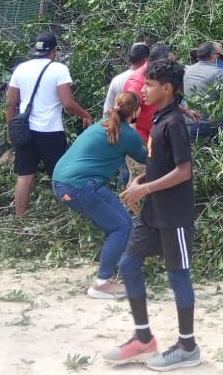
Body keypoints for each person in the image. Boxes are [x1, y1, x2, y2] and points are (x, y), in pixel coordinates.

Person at [103, 58, 201, 369]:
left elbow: (183, 171)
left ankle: (188, 347)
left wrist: (144, 190)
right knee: (129, 264)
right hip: (152, 211)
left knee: (177, 276)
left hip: (174, 215)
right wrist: (140, 180)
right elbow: (160, 163)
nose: (143, 90)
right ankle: (143, 338)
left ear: (167, 88)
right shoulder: (159, 118)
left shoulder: (174, 123)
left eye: (149, 85)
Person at [52, 91, 149, 300]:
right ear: (136, 111)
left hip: (61, 184)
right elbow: (149, 160)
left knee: (116, 223)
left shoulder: (100, 125)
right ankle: (102, 283)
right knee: (122, 226)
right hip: (82, 186)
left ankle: (114, 274)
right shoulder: (128, 135)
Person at [6, 32, 92, 217]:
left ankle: (20, 221)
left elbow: (10, 103)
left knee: (25, 176)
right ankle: (62, 217)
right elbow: (67, 103)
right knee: (59, 177)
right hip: (51, 133)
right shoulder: (59, 69)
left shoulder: (21, 69)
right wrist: (86, 114)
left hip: (25, 131)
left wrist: (10, 130)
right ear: (54, 51)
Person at [182, 41, 223, 141]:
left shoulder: (186, 70)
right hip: (209, 125)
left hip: (187, 121)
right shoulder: (219, 73)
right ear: (213, 55)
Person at [104, 42, 151, 114]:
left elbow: (108, 110)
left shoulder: (117, 80)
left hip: (118, 123)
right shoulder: (148, 80)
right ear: (146, 60)